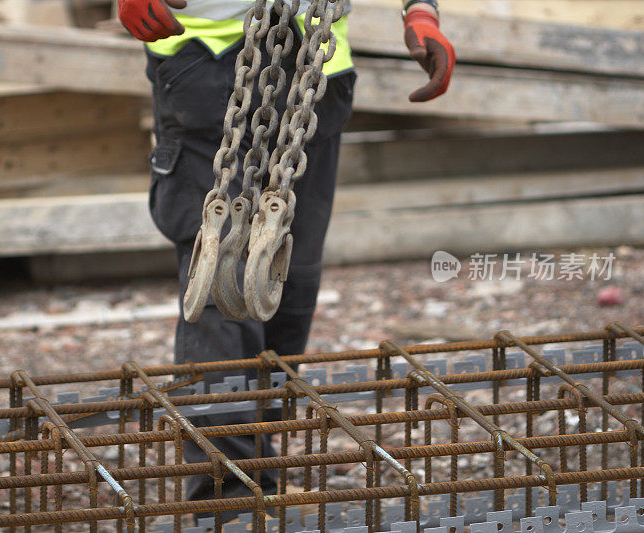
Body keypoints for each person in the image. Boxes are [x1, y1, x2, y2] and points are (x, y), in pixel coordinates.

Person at [117, 0, 455, 519]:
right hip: (208, 59)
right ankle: (226, 500)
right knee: (223, 285)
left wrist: (421, 10)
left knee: (287, 286)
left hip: (319, 68)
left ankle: (259, 479)